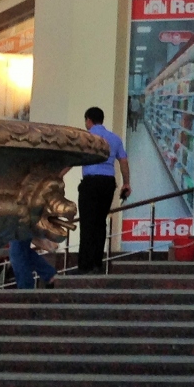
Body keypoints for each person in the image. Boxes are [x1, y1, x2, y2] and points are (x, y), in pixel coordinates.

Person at [69, 107, 130, 274]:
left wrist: (57, 176)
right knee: (100, 223)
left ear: (88, 120)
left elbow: (72, 159)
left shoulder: (84, 137)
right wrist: (126, 183)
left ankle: (84, 266)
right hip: (107, 184)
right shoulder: (115, 139)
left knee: (87, 223)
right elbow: (123, 162)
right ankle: (97, 264)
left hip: (90, 183)